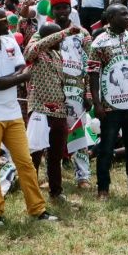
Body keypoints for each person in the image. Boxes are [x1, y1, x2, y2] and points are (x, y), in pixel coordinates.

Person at [0, 8, 55, 226]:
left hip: (12, 111)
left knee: (25, 162)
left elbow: (16, 69)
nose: (8, 23)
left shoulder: (9, 41)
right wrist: (16, 78)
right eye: (3, 21)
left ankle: (37, 209)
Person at [87, 3, 128, 201]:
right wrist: (97, 103)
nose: (127, 17)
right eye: (122, 14)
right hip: (110, 106)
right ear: (110, 17)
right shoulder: (99, 43)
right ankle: (103, 189)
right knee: (106, 147)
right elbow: (93, 75)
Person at [25, 16, 87, 202]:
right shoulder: (36, 52)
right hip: (39, 108)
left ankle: (56, 191)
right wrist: (64, 32)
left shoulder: (58, 56)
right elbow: (31, 51)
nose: (61, 41)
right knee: (34, 153)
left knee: (56, 154)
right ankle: (31, 191)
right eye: (58, 38)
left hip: (59, 110)